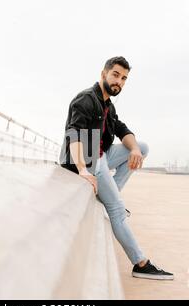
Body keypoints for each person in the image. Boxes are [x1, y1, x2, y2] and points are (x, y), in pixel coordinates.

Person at [59, 56, 174, 280]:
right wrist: (83, 170)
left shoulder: (108, 106)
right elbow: (73, 134)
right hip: (87, 159)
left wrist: (135, 151)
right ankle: (140, 263)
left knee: (141, 146)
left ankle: (108, 196)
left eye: (123, 78)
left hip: (100, 155)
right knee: (118, 211)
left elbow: (122, 130)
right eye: (115, 75)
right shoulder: (86, 99)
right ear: (103, 74)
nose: (119, 82)